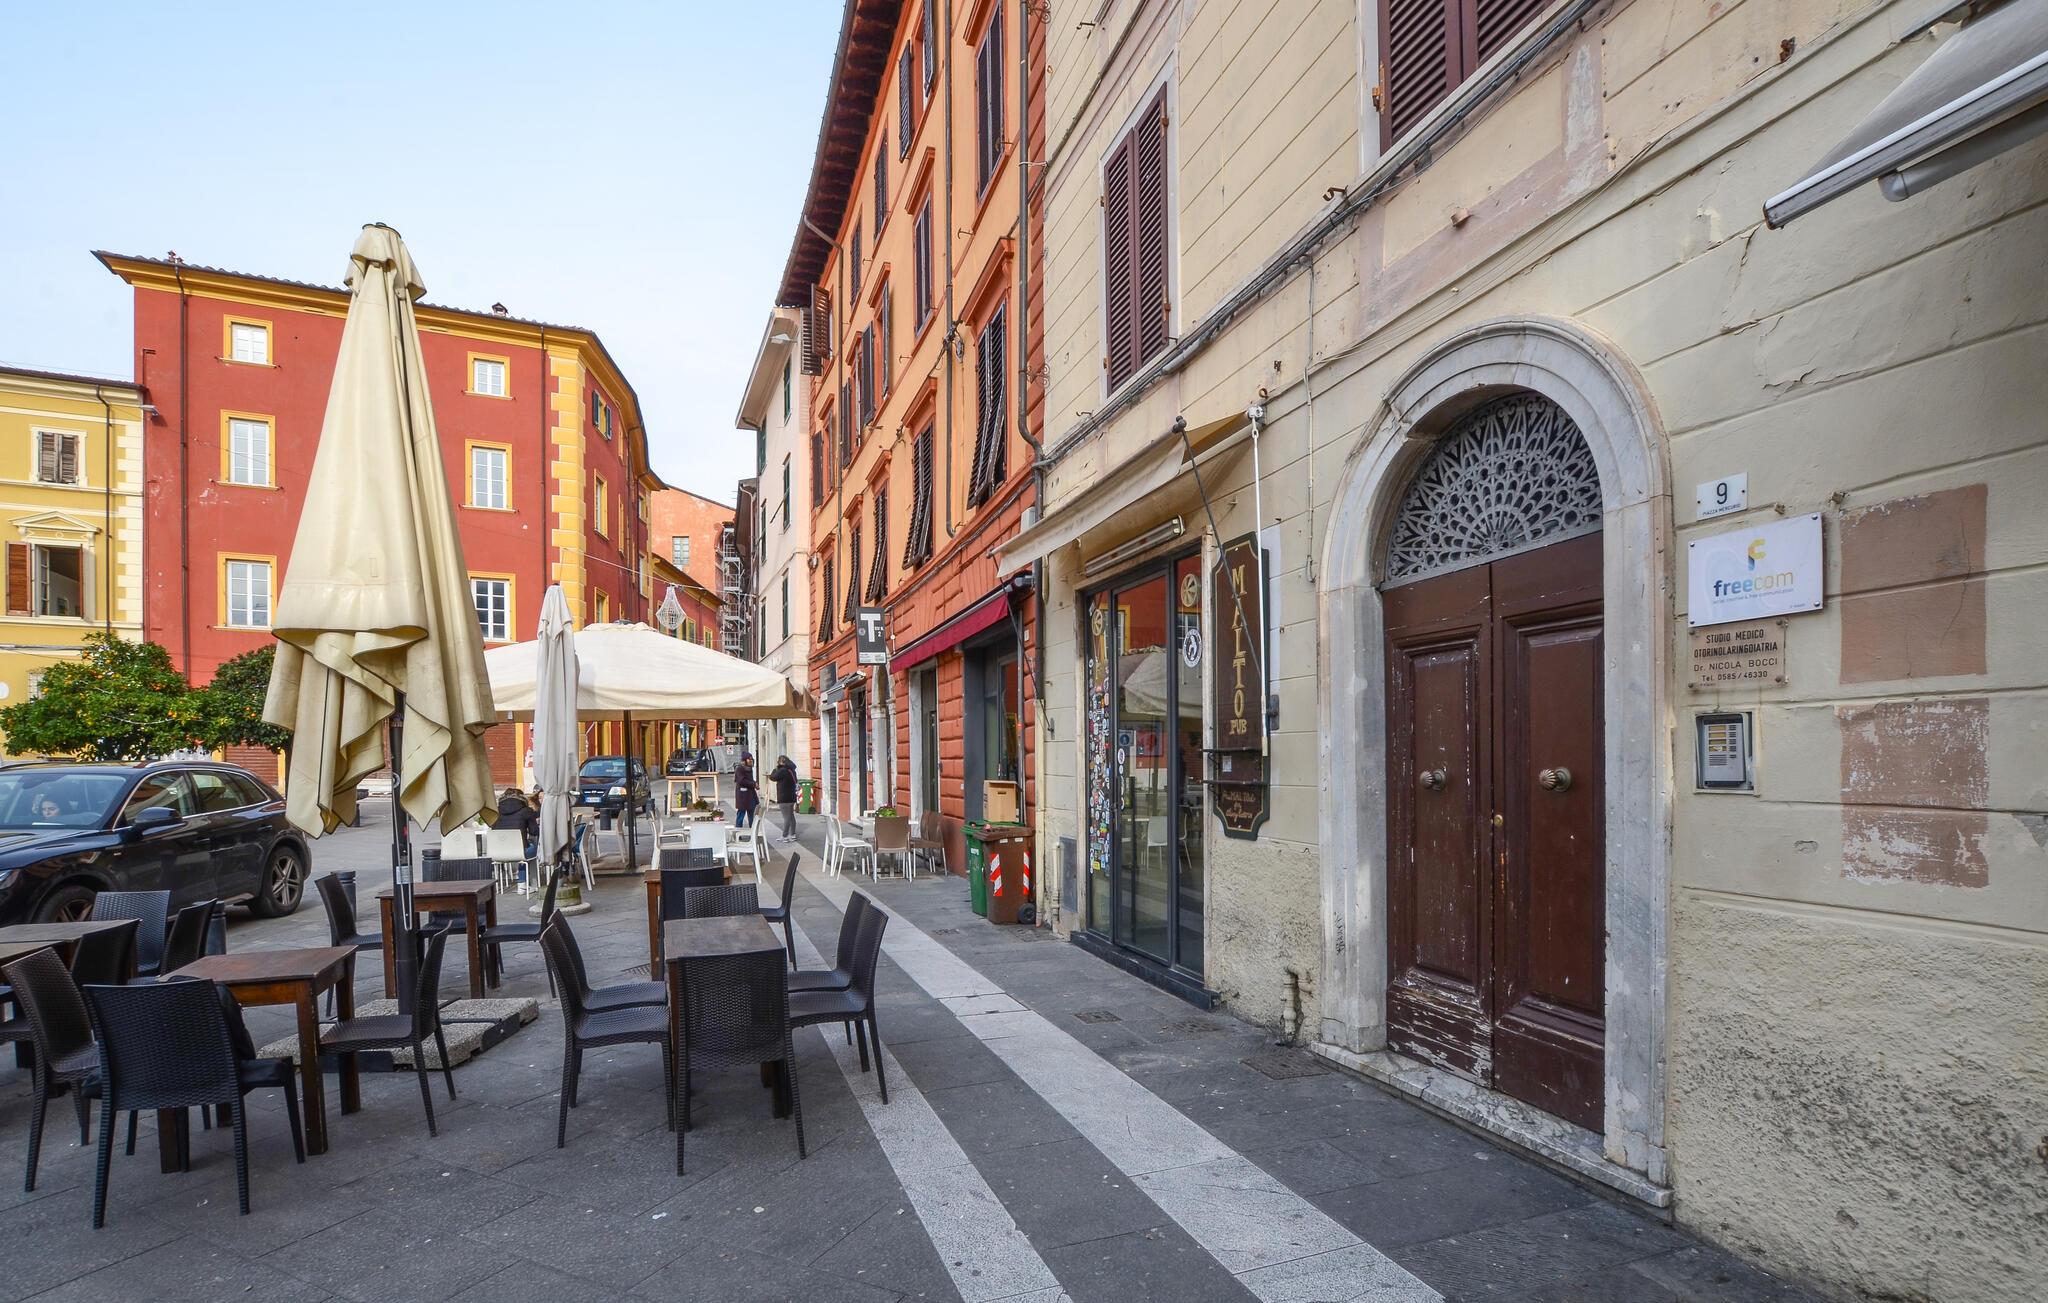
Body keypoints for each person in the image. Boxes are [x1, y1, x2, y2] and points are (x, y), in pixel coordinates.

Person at [769, 754, 800, 840]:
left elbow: (772, 777)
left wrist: (775, 769)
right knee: (791, 816)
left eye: (778, 761)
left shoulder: (782, 770)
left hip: (784, 797)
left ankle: (785, 836)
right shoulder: (792, 770)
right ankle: (792, 834)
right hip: (792, 797)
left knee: (786, 817)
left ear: (781, 762)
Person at [733, 752, 758, 828]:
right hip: (742, 796)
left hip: (750, 795)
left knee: (751, 813)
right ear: (745, 760)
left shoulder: (749, 768)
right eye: (749, 759)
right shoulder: (740, 769)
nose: (751, 760)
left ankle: (752, 829)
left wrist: (754, 783)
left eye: (751, 759)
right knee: (741, 813)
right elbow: (742, 780)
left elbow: (749, 780)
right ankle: (738, 829)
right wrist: (753, 784)